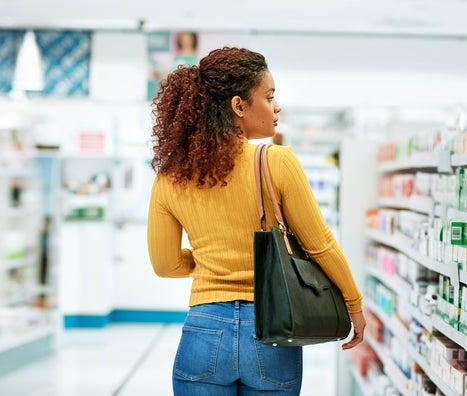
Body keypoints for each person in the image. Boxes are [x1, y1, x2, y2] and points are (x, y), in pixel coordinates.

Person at [147, 47, 366, 395]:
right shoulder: (276, 161)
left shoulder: (170, 176)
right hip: (273, 329)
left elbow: (166, 265)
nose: (277, 107)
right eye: (269, 96)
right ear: (239, 106)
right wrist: (353, 305)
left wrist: (206, 259)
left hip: (203, 330)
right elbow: (320, 245)